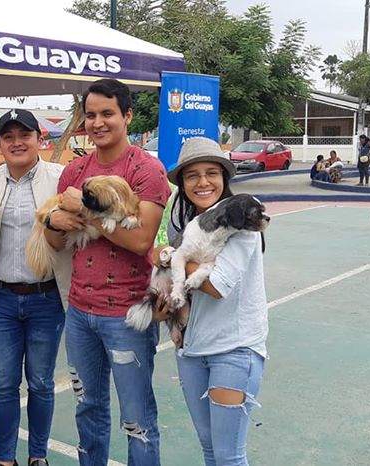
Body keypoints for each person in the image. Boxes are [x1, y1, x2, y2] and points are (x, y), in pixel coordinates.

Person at [44, 78, 170, 464]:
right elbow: (56, 244)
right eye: (91, 115)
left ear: (127, 116)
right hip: (79, 313)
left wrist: (83, 210)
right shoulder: (73, 171)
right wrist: (51, 223)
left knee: (137, 418)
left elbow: (141, 240)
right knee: (88, 410)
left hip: (128, 315)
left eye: (107, 114)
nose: (97, 123)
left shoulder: (147, 169)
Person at [152, 137, 268, 466]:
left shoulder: (243, 221)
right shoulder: (188, 223)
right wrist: (164, 306)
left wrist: (170, 255)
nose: (203, 182)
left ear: (224, 178)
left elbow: (217, 286)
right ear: (183, 185)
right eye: (192, 176)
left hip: (234, 349)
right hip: (192, 349)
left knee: (229, 456)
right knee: (210, 448)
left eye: (212, 173)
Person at [0, 109, 72, 466]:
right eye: (8, 137)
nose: (16, 142)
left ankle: (38, 455)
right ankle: (5, 458)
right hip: (2, 300)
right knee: (4, 384)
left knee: (40, 383)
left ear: (39, 138)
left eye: (24, 135)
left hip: (46, 299)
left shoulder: (61, 179)